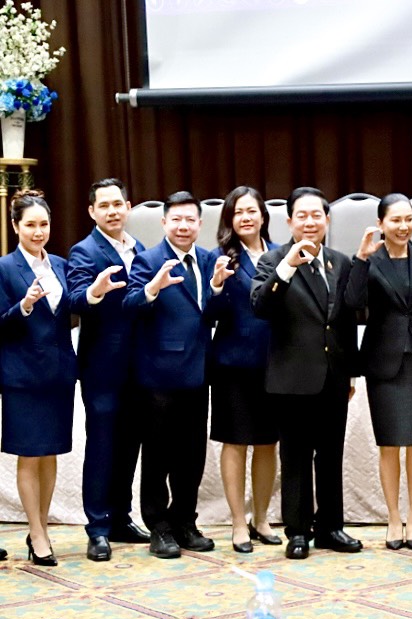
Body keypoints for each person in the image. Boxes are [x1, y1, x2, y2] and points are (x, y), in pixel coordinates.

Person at [250, 186, 362, 559]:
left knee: (330, 457)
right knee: (296, 458)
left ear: (327, 220)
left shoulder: (339, 261)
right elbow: (260, 306)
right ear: (289, 221)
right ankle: (298, 532)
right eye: (302, 215)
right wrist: (287, 267)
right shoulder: (273, 260)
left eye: (317, 215)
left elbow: (344, 320)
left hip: (333, 377)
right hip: (292, 378)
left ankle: (331, 528)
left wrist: (350, 372)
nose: (310, 222)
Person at [124, 191, 232, 559]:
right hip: (158, 377)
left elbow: (213, 314)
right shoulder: (148, 260)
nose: (183, 226)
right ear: (164, 222)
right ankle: (159, 527)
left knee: (192, 456)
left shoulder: (208, 259)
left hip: (199, 373)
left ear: (200, 224)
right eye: (177, 219)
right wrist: (153, 287)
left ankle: (185, 521)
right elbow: (130, 305)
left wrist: (217, 287)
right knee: (158, 457)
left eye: (190, 220)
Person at [344, 194, 412, 550]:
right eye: (395, 220)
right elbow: (353, 304)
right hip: (383, 363)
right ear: (381, 223)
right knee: (388, 446)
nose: (403, 226)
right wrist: (360, 259)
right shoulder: (369, 260)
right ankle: (393, 517)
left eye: (408, 219)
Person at [67, 178, 150, 562]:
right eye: (104, 205)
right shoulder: (84, 251)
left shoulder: (140, 248)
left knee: (130, 443)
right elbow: (75, 299)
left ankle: (120, 517)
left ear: (128, 207)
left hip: (141, 365)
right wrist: (96, 291)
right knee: (102, 446)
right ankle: (97, 527)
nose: (113, 211)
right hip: (102, 367)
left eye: (118, 204)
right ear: (92, 211)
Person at [0, 190, 77, 566]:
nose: (38, 231)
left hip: (59, 373)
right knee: (30, 455)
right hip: (24, 376)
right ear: (15, 226)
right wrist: (25, 305)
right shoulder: (4, 268)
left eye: (43, 224)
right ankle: (37, 531)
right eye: (30, 224)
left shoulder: (60, 264)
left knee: (50, 454)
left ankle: (40, 528)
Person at [207, 186, 280, 553]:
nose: (246, 218)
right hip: (233, 365)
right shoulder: (219, 258)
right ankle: (238, 522)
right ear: (230, 220)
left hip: (275, 363)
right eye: (238, 212)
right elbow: (208, 314)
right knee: (235, 443)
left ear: (263, 215)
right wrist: (216, 286)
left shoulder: (282, 253)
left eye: (252, 211)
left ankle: (261, 518)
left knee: (268, 443)